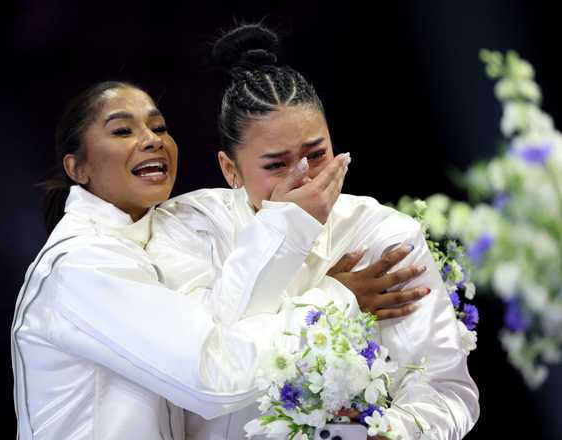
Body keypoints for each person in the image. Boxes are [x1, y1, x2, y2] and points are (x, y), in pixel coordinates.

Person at [147, 24, 480, 440]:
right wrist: (333, 292)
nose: (302, 176)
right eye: (276, 164)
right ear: (230, 169)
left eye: (316, 153)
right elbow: (211, 366)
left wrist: (383, 434)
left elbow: (446, 392)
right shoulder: (188, 226)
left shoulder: (383, 235)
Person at [10, 81, 351, 439]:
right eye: (123, 130)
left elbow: (227, 325)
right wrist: (335, 299)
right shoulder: (82, 264)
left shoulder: (155, 239)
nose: (152, 139)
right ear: (78, 168)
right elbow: (216, 377)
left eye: (158, 127)